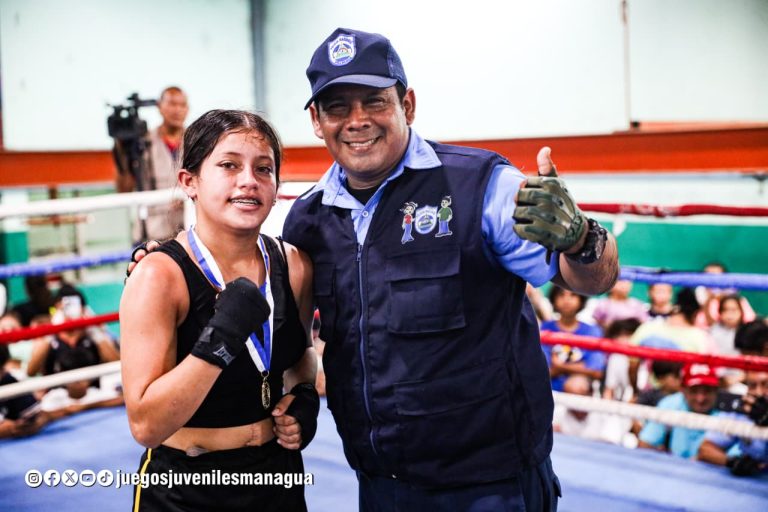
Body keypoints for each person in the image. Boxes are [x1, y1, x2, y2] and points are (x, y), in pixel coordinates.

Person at [281, 27, 619, 511]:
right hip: (379, 483)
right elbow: (299, 335)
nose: (357, 121)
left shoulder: (481, 186)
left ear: (408, 105)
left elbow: (593, 280)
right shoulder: (309, 218)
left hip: (490, 487)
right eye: (338, 107)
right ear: (317, 121)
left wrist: (583, 238)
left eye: (375, 101)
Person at [120, 109, 318, 511]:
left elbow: (302, 355)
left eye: (263, 169)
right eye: (229, 165)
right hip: (186, 486)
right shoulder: (159, 276)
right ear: (189, 181)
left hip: (277, 474)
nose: (249, 180)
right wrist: (222, 337)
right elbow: (146, 425)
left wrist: (304, 395)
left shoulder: (294, 265)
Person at [115, 86, 189, 242]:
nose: (177, 110)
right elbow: (124, 189)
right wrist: (122, 150)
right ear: (159, 107)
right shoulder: (143, 142)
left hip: (187, 230)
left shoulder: (196, 141)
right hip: (152, 234)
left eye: (182, 105)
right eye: (172, 104)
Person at [26, 284, 120, 377]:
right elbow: (31, 371)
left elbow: (116, 363)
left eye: (74, 305)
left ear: (83, 309)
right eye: (65, 306)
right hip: (58, 386)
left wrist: (93, 329)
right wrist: (52, 330)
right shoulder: (49, 339)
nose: (70, 311)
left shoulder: (92, 335)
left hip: (93, 385)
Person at [637, 363, 720, 459]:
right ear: (683, 390)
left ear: (716, 390)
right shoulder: (670, 404)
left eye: (707, 391)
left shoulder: (728, 410)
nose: (700, 399)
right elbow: (645, 444)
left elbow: (730, 459)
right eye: (694, 391)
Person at [697, 369, 768, 476]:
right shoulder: (742, 410)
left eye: (766, 385)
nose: (759, 393)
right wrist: (731, 462)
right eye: (752, 386)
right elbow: (706, 449)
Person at [540, 286, 606, 392]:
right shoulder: (544, 328)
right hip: (546, 389)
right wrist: (579, 367)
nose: (567, 300)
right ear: (554, 299)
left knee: (576, 384)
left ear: (581, 300)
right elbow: (541, 372)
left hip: (578, 392)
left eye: (573, 295)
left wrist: (560, 366)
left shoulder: (592, 331)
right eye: (561, 295)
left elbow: (596, 371)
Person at [602, 318, 642, 402]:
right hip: (622, 403)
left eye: (628, 335)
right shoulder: (616, 358)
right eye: (619, 336)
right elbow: (609, 391)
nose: (623, 340)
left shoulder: (646, 361)